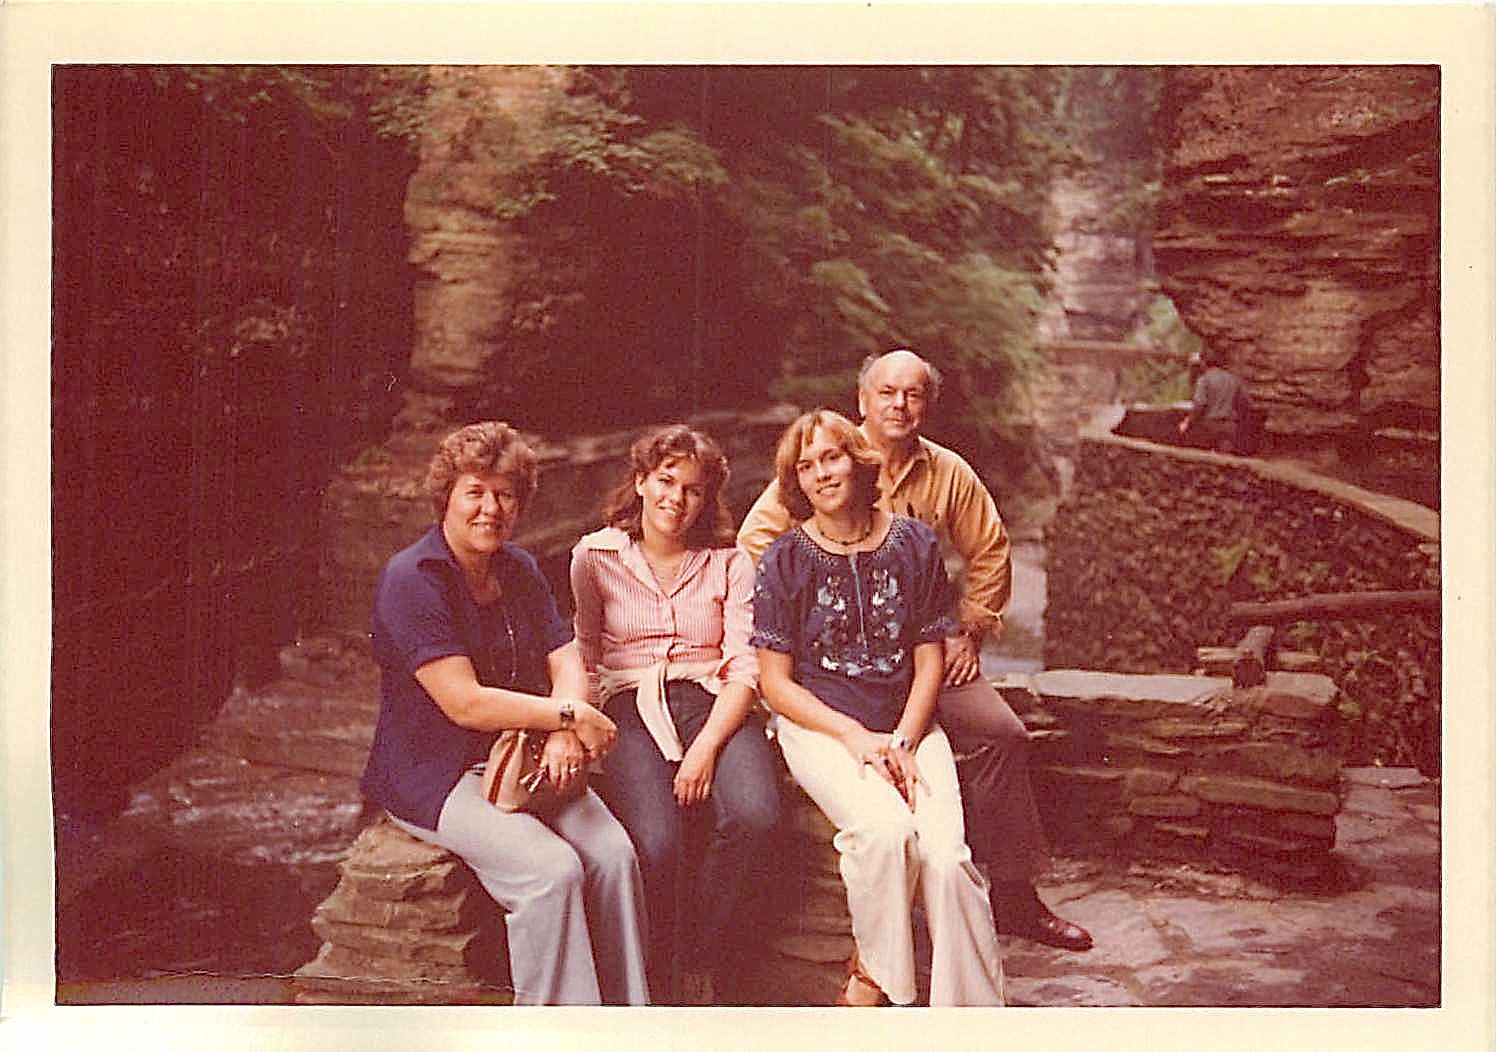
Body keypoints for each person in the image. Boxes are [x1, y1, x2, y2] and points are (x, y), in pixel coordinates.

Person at [739, 349, 1093, 952]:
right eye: (887, 392)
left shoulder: (949, 473)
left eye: (913, 394)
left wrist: (971, 630)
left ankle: (1013, 897)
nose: (899, 405)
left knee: (1001, 733)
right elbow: (757, 539)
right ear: (863, 402)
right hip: (843, 666)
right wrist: (808, 620)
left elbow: (991, 550)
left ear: (927, 405)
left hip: (926, 655)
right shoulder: (827, 458)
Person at [360, 421, 650, 1006]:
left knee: (615, 856)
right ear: (447, 496)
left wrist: (564, 731)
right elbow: (463, 702)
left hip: (524, 754)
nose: (491, 508)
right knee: (551, 872)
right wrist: (566, 718)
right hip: (432, 773)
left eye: (506, 494)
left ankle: (628, 1026)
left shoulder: (517, 567)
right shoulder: (411, 579)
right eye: (476, 491)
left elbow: (566, 657)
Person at [751, 409, 1005, 1007]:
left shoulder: (914, 543)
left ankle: (970, 1018)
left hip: (909, 726)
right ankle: (883, 988)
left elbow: (929, 660)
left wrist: (905, 741)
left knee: (946, 858)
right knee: (886, 833)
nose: (820, 474)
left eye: (831, 457)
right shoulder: (782, 560)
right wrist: (854, 737)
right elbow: (776, 684)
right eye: (805, 466)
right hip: (821, 727)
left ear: (858, 461)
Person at [570, 424, 780, 1005]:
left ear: (707, 498)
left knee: (755, 818)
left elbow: (744, 666)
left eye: (692, 490)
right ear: (640, 482)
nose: (676, 500)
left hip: (711, 699)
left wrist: (707, 747)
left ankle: (702, 955)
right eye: (665, 482)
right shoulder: (595, 556)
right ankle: (659, 971)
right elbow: (583, 654)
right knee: (657, 843)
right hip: (627, 704)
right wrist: (576, 729)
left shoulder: (731, 563)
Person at [1177, 347, 1250, 453]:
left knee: (1205, 458)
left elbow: (1200, 404)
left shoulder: (1204, 380)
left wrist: (1187, 422)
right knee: (1224, 458)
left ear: (1203, 363)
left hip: (1209, 425)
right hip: (1229, 425)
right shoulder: (1233, 379)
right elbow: (1245, 402)